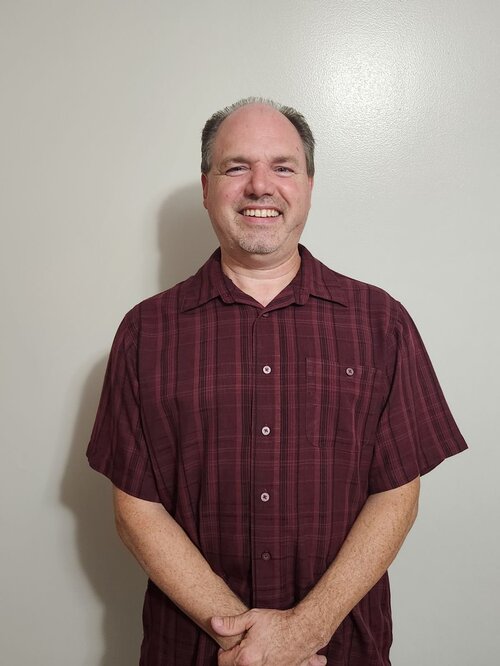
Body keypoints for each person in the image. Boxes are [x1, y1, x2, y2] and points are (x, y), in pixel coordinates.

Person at [87, 97, 467, 665]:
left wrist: (303, 631)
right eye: (236, 167)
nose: (260, 186)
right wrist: (246, 642)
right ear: (206, 187)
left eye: (283, 167)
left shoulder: (380, 322)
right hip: (192, 651)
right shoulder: (146, 332)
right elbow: (135, 509)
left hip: (340, 650)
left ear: (309, 185)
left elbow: (398, 494)